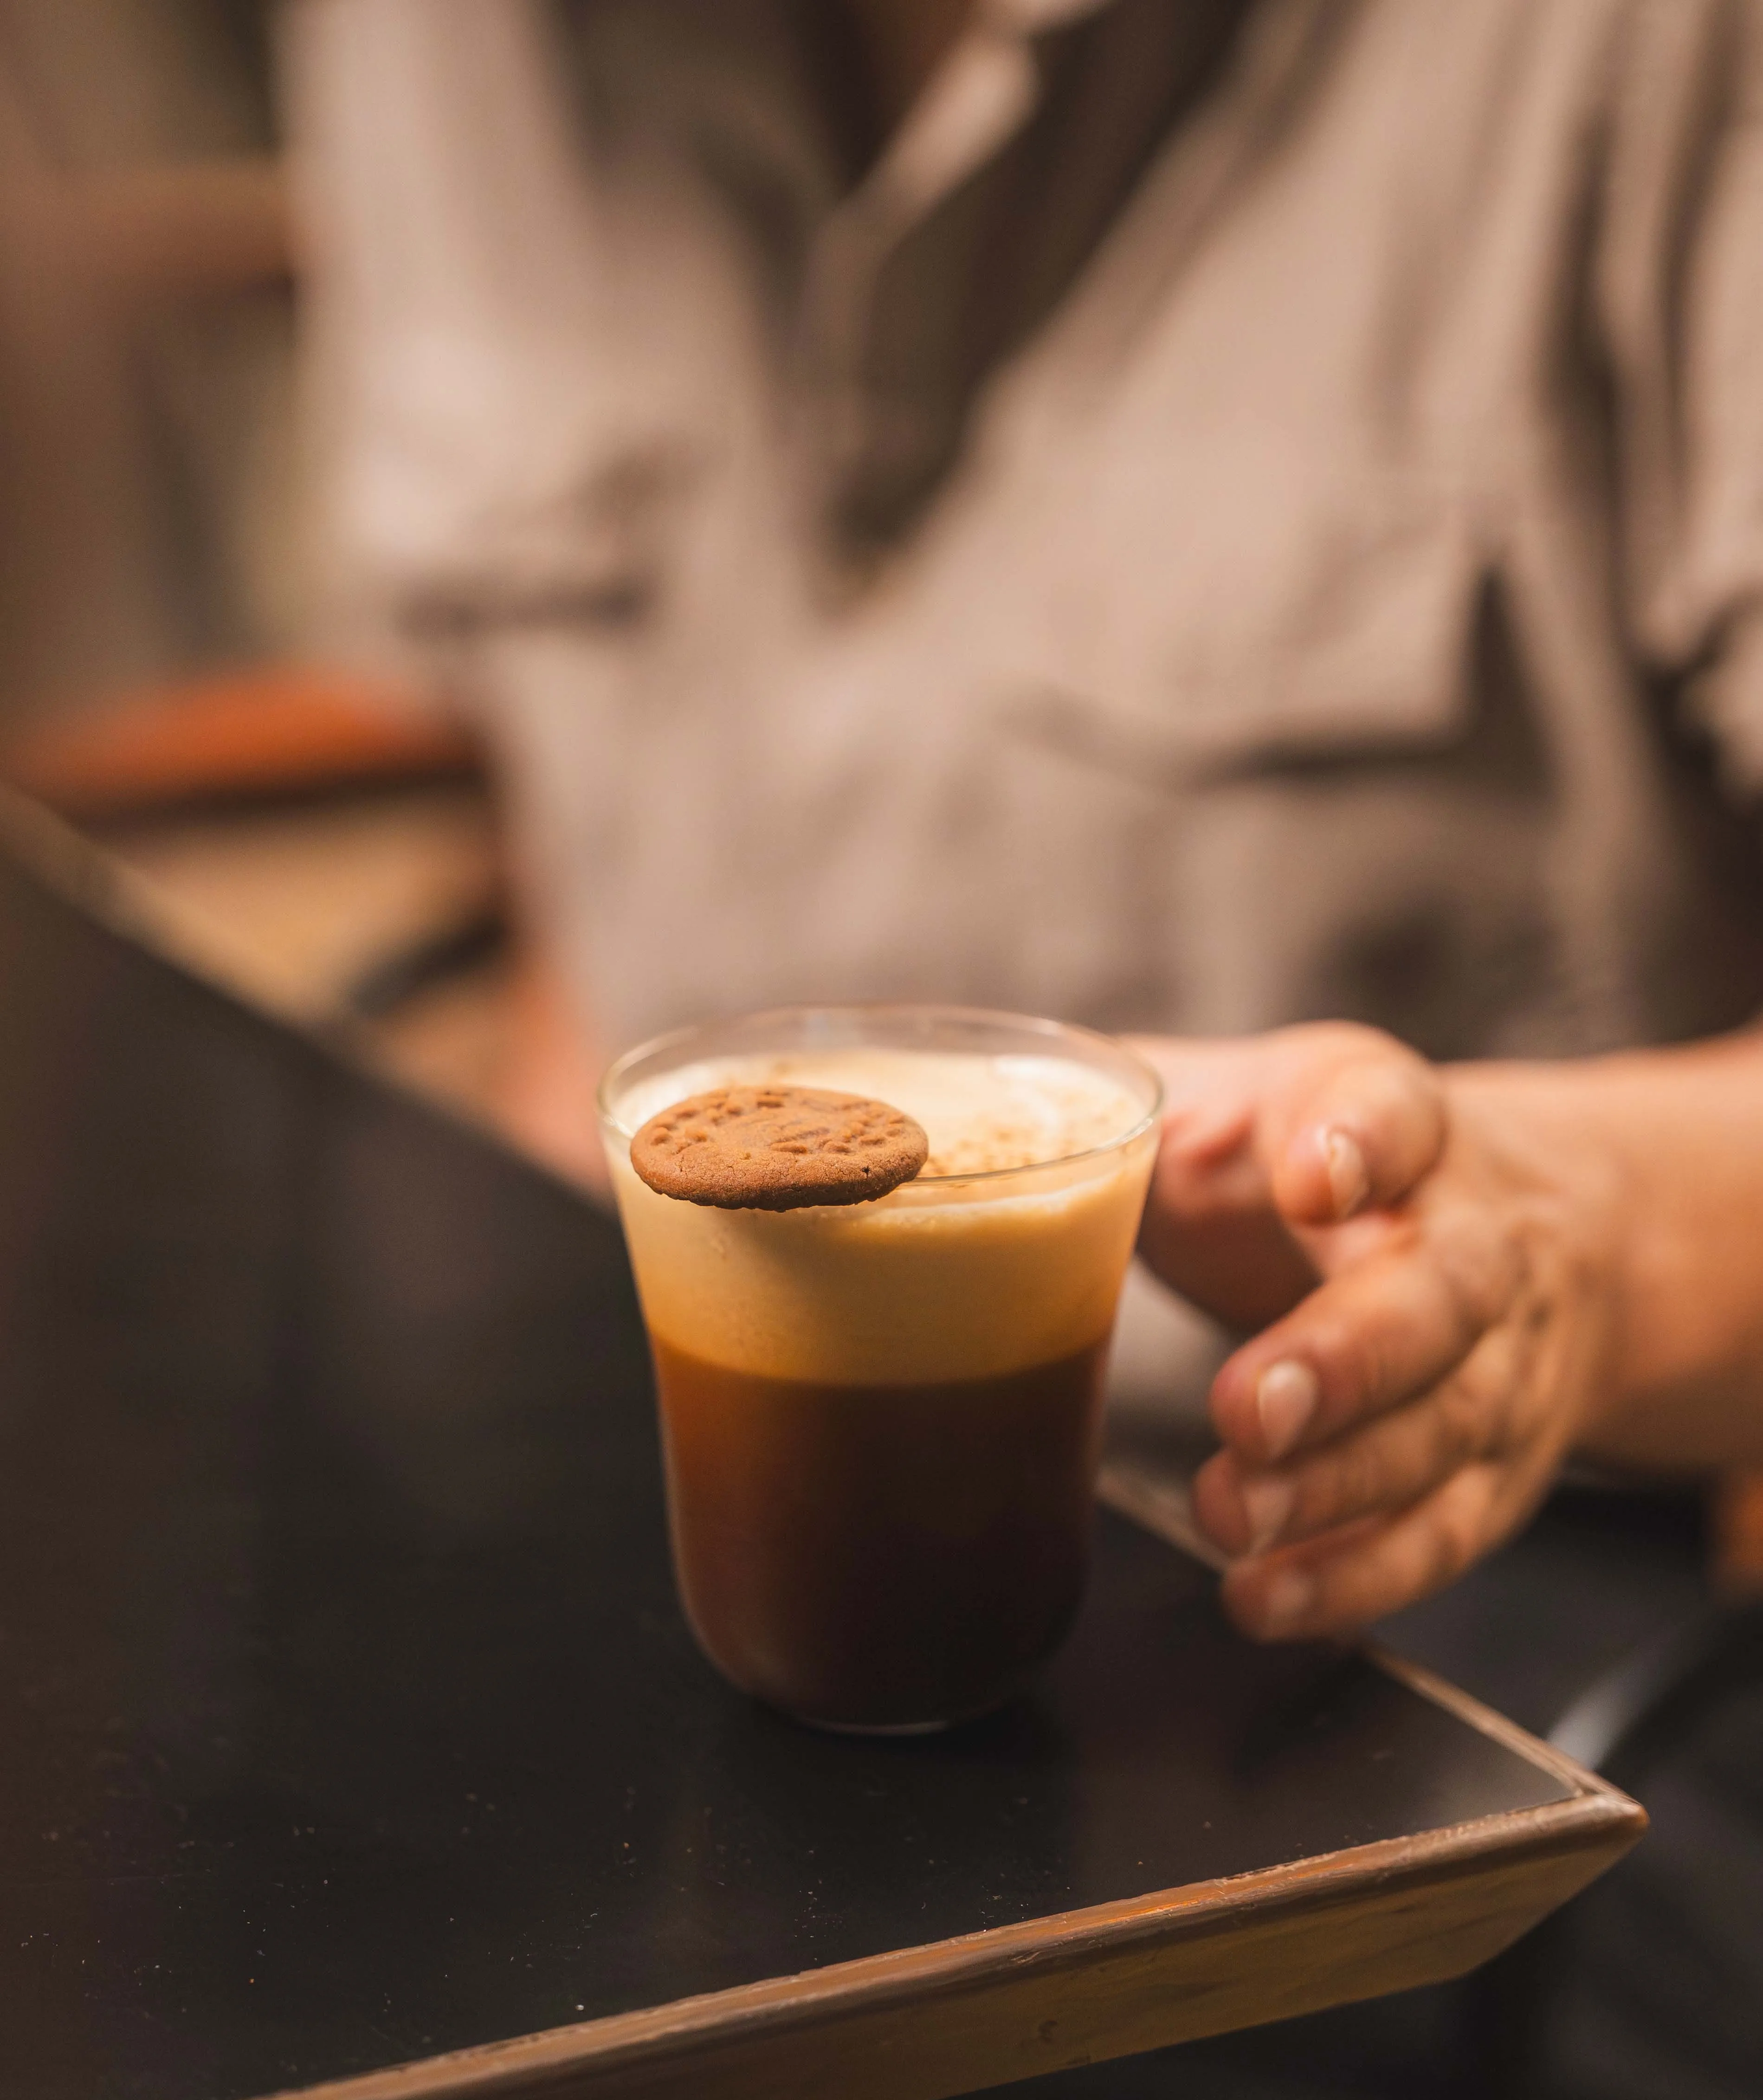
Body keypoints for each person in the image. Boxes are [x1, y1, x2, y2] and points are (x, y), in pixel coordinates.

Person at [286, 0, 1763, 1638]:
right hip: (641, 1504)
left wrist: (1569, 1250)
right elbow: (573, 870)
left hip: (1443, 1583)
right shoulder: (431, 41)